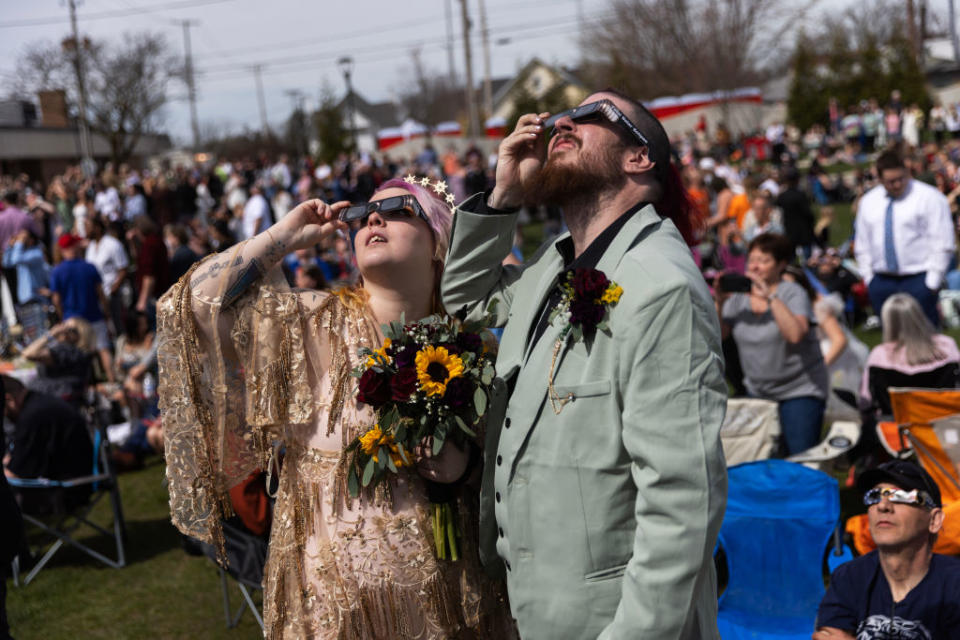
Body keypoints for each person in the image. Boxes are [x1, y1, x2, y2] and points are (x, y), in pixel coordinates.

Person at [157, 179, 515, 638]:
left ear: (438, 244)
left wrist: (462, 468)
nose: (373, 218)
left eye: (399, 208)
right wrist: (282, 236)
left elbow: (503, 478)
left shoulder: (472, 347)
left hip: (450, 607)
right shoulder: (311, 324)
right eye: (366, 211)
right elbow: (191, 307)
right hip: (334, 611)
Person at [441, 89, 727, 638]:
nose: (563, 125)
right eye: (564, 117)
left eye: (593, 116)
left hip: (614, 622)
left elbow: (683, 502)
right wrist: (503, 196)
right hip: (541, 609)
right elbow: (466, 301)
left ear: (639, 158)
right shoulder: (556, 262)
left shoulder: (660, 285)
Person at [814, 460, 960, 639]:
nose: (882, 506)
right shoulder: (849, 577)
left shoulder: (954, 585)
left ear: (934, 520)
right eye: (874, 496)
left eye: (900, 497)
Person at [718, 233, 830, 455]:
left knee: (800, 458)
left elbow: (795, 335)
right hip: (757, 391)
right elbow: (718, 335)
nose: (755, 267)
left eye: (764, 261)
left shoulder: (793, 293)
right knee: (758, 459)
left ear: (781, 265)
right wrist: (720, 301)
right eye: (752, 260)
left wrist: (769, 295)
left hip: (799, 390)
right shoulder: (739, 299)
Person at [854, 150, 954, 327]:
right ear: (880, 178)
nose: (898, 184)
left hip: (919, 278)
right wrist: (870, 279)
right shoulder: (869, 202)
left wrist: (931, 282)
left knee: (926, 342)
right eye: (891, 181)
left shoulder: (928, 197)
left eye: (902, 178)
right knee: (892, 344)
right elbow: (863, 244)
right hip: (882, 280)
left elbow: (943, 241)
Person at [860, 293, 960, 417]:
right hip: (943, 419)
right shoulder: (946, 345)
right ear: (918, 315)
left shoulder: (879, 355)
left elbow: (866, 400)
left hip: (898, 424)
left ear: (888, 321)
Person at [49, 233, 114, 382]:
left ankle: (85, 386)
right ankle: (112, 381)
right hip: (94, 315)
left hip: (72, 319)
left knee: (78, 355)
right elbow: (101, 294)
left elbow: (56, 300)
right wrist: (107, 312)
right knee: (104, 350)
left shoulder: (57, 271)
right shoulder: (89, 267)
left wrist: (62, 317)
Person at [85, 215, 130, 340]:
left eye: (88, 226)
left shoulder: (113, 244)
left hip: (113, 295)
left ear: (97, 228)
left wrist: (113, 290)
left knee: (118, 327)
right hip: (98, 296)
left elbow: (123, 269)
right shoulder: (90, 247)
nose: (85, 230)